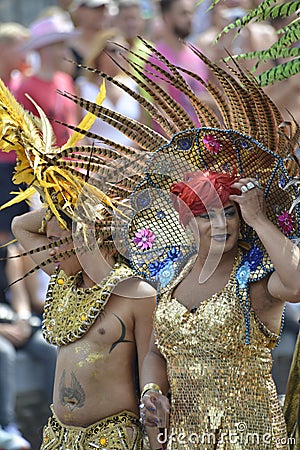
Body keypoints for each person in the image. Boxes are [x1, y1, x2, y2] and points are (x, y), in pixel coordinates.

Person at [0, 75, 156, 449]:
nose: (49, 250)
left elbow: (152, 363)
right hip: (58, 439)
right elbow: (21, 224)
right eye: (49, 241)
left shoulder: (134, 292)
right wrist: (56, 191)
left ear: (87, 237)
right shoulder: (64, 282)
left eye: (59, 242)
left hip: (115, 439)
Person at [0, 244, 57, 450]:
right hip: (1, 330)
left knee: (50, 348)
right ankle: (7, 426)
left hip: (14, 322)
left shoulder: (7, 253)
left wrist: (23, 321)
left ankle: (58, 417)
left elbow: (19, 294)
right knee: (3, 352)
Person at [14, 13, 80, 147]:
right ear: (44, 49)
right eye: (59, 46)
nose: (64, 52)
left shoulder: (65, 79)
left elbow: (74, 124)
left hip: (76, 162)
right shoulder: (26, 88)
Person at [77, 28, 142, 147]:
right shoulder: (82, 87)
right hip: (93, 161)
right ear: (99, 54)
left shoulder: (133, 86)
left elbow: (143, 130)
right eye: (114, 50)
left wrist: (127, 157)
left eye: (124, 50)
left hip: (132, 161)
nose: (120, 56)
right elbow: (75, 129)